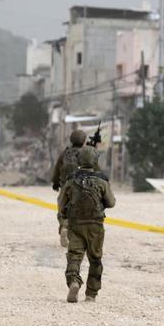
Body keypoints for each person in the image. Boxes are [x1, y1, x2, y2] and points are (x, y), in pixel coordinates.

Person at [60, 147, 116, 303]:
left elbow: (61, 202)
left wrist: (64, 221)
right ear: (95, 161)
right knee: (95, 258)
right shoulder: (101, 180)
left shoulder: (71, 180)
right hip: (95, 226)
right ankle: (91, 294)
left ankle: (74, 282)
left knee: (74, 256)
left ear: (79, 161)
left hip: (76, 224)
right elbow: (111, 203)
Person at [51, 129, 89, 248]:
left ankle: (64, 227)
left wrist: (55, 183)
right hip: (82, 188)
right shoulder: (87, 153)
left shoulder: (65, 154)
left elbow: (57, 169)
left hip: (66, 187)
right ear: (83, 141)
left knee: (62, 211)